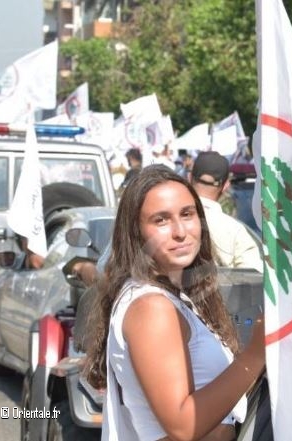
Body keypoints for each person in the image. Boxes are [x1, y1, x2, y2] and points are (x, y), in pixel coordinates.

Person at [84, 165, 265, 441]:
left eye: (187, 214)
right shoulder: (151, 307)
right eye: (161, 220)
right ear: (136, 232)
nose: (180, 231)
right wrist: (254, 355)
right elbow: (183, 425)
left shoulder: (173, 295)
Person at [190, 151, 263, 272]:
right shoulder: (235, 231)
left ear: (189, 177)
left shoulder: (166, 220)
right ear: (225, 186)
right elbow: (253, 277)